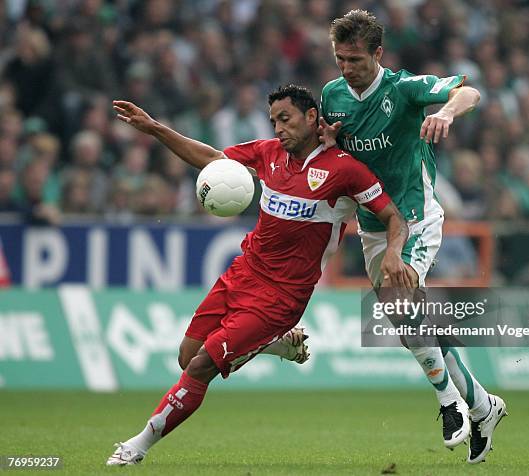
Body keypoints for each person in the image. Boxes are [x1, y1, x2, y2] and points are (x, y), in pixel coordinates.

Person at [106, 84, 410, 465]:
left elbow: (394, 217)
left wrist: (394, 254)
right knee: (187, 357)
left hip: (281, 298)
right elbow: (213, 160)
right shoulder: (268, 154)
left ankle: (137, 446)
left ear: (312, 117)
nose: (278, 128)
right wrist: (155, 128)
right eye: (273, 121)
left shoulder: (344, 169)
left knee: (202, 367)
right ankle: (275, 344)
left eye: (286, 119)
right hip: (242, 273)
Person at [317, 10, 507, 464]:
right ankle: (483, 405)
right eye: (340, 59)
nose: (347, 68)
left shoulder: (403, 88)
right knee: (409, 326)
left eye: (356, 59)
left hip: (417, 218)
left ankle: (449, 404)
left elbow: (470, 91)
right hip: (372, 226)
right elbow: (334, 150)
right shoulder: (332, 95)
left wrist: (444, 112)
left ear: (377, 54)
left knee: (402, 302)